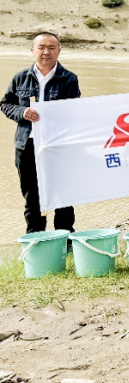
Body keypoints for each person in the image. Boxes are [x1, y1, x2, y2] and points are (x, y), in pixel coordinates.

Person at [1, 32, 80, 233]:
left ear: (59, 50)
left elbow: (75, 111)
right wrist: (22, 112)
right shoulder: (20, 78)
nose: (46, 52)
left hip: (58, 145)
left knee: (63, 193)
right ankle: (35, 236)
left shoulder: (69, 79)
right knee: (31, 194)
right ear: (32, 51)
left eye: (51, 47)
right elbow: (6, 104)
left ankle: (65, 236)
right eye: (41, 47)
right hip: (26, 145)